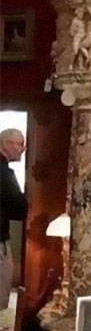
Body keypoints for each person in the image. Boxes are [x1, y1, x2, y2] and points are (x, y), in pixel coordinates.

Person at [0, 129, 28, 311]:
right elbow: (19, 210)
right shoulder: (4, 173)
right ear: (6, 144)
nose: (23, 149)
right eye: (20, 144)